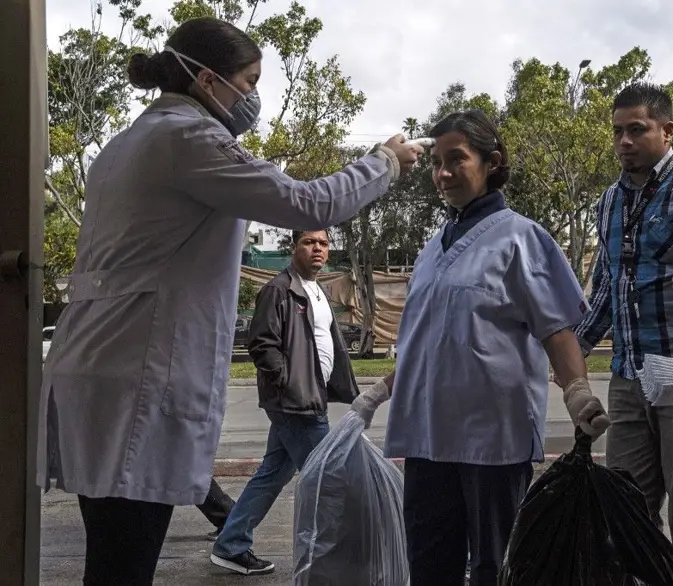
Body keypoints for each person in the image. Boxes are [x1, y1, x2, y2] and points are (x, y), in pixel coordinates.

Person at [35, 16, 422, 586]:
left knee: (112, 554)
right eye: (250, 79)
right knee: (125, 561)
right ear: (207, 78)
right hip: (136, 375)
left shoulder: (124, 144)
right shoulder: (188, 138)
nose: (253, 96)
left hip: (98, 367)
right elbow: (307, 203)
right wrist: (384, 162)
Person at [350, 110, 611, 586]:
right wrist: (377, 394)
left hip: (492, 437)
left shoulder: (521, 238)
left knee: (497, 565)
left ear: (492, 163)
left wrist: (576, 389)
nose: (442, 173)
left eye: (457, 159)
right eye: (435, 162)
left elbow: (556, 328)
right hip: (427, 435)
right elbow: (427, 342)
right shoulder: (432, 249)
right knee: (430, 563)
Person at [572, 83, 673, 586]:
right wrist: (572, 350)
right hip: (628, 379)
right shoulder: (609, 201)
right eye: (617, 132)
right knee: (626, 515)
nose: (624, 141)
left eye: (636, 129)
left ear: (667, 131)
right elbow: (608, 292)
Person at [211, 229, 358, 575]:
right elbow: (262, 344)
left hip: (309, 398)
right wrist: (291, 386)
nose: (318, 249)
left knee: (272, 474)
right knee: (329, 478)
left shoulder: (316, 290)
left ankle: (230, 544)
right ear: (294, 247)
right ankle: (337, 556)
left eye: (323, 243)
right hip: (297, 403)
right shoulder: (278, 289)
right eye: (309, 242)